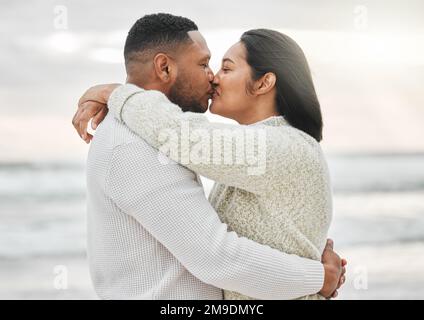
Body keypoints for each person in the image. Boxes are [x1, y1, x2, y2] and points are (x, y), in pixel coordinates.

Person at [72, 13, 346, 300]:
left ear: (264, 83)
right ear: (164, 68)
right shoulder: (134, 143)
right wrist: (318, 278)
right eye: (205, 64)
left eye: (225, 68)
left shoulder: (285, 148)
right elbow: (218, 257)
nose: (212, 77)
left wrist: (116, 93)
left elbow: (185, 135)